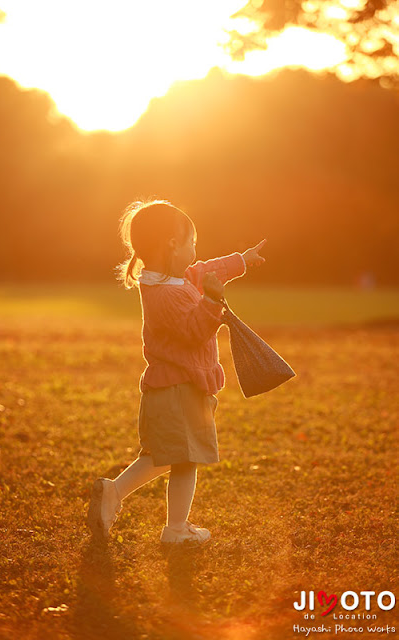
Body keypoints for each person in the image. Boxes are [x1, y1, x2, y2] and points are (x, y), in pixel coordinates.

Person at [87, 199, 266, 544]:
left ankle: (114, 492)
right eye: (191, 243)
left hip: (168, 389)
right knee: (185, 459)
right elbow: (194, 330)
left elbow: (202, 271)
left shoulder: (170, 280)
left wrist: (240, 261)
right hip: (181, 388)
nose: (194, 251)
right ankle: (176, 529)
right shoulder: (164, 295)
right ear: (172, 244)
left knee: (160, 456)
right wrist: (212, 301)